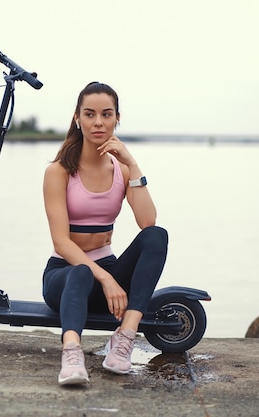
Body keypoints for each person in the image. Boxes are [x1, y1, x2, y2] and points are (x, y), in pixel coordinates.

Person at [42, 81, 168, 385]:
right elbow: (61, 241)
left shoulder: (121, 170)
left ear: (117, 119)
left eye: (106, 114)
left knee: (157, 236)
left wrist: (133, 165)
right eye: (90, 114)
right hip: (65, 275)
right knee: (82, 273)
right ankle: (71, 353)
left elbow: (147, 222)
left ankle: (125, 337)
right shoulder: (58, 171)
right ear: (77, 119)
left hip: (107, 276)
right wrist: (106, 277)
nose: (98, 122)